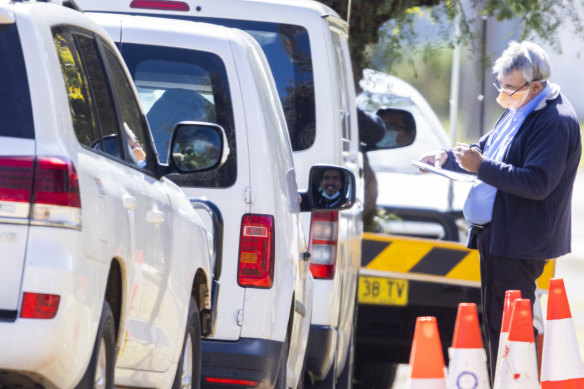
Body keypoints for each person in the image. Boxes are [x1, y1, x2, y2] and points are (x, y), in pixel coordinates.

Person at [419, 40, 581, 381]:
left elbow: (537, 183)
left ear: (536, 85)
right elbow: (485, 150)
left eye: (510, 87)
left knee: (511, 327)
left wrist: (481, 167)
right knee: (498, 322)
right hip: (498, 236)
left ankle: (514, 383)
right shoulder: (521, 108)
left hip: (519, 240)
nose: (503, 94)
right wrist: (447, 158)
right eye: (501, 86)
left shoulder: (553, 121)